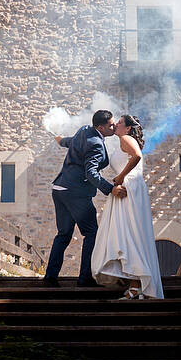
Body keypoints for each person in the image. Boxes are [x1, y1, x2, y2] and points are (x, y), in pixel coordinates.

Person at [45, 109, 127, 287]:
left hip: (59, 189)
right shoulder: (96, 143)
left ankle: (50, 277)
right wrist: (110, 189)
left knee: (63, 234)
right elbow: (91, 173)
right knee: (91, 233)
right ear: (100, 127)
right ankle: (85, 278)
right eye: (110, 125)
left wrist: (60, 140)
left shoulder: (84, 130)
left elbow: (71, 141)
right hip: (75, 193)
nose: (114, 126)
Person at [92, 114, 164, 299]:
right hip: (129, 187)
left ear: (128, 128)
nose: (116, 124)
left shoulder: (126, 138)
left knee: (128, 234)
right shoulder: (123, 140)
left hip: (128, 188)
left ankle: (136, 283)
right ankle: (134, 282)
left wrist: (121, 176)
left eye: (120, 122)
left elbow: (137, 156)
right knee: (127, 233)